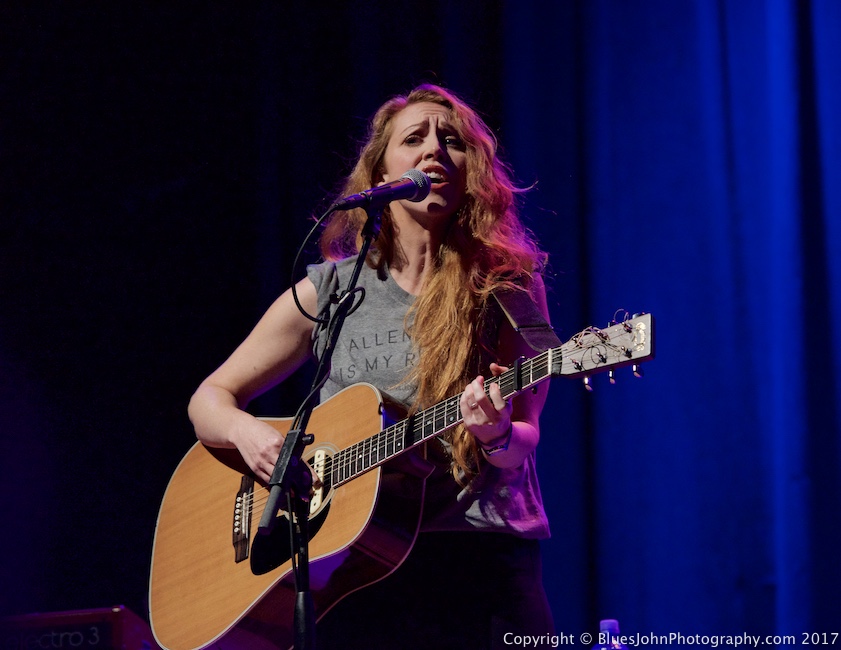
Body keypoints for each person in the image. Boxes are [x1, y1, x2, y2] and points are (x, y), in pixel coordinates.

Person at [188, 84, 555, 649]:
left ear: (472, 170)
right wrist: (252, 437)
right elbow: (209, 399)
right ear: (380, 171)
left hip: (481, 553)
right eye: (414, 138)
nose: (434, 150)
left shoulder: (506, 284)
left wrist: (495, 431)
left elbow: (523, 438)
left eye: (452, 141)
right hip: (357, 567)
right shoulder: (330, 289)